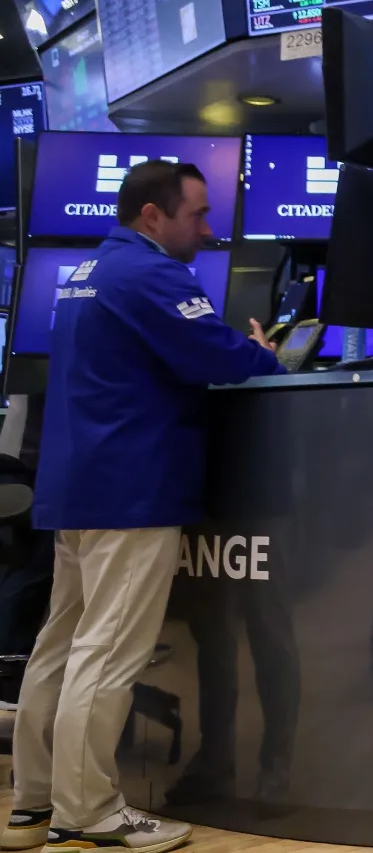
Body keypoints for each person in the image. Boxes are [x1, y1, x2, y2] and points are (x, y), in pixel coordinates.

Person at [7, 160, 281, 853]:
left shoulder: (89, 273)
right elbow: (215, 355)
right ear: (152, 216)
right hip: (131, 489)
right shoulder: (151, 274)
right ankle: (90, 809)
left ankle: (34, 801)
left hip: (77, 486)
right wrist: (262, 355)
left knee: (61, 646)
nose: (209, 229)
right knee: (107, 651)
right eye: (197, 214)